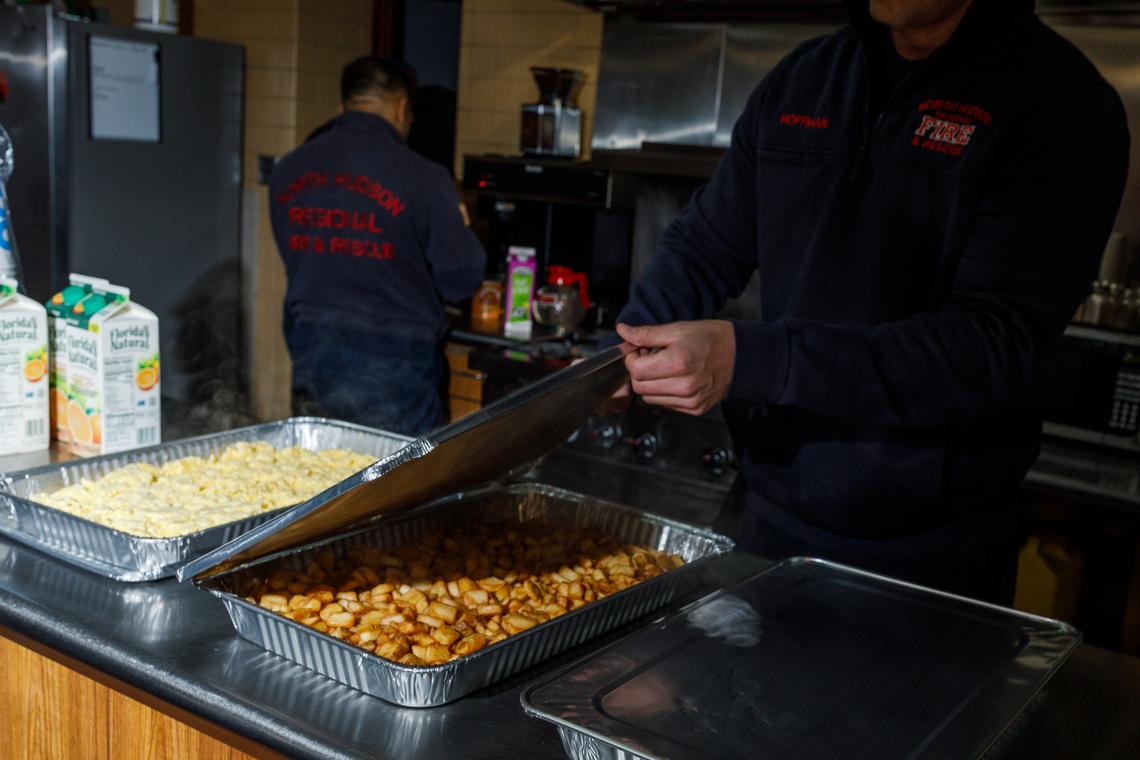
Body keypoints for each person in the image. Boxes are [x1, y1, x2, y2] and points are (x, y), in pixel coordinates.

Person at [611, 0, 1130, 604]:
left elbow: (990, 345)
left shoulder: (1060, 104)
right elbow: (706, 243)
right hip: (766, 517)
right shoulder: (805, 76)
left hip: (930, 558)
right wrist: (619, 349)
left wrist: (749, 359)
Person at [269, 57, 485, 436]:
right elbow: (461, 279)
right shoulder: (424, 177)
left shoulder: (288, 169)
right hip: (396, 362)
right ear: (402, 108)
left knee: (319, 474)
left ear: (342, 106)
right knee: (402, 482)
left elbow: (293, 254)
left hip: (312, 346)